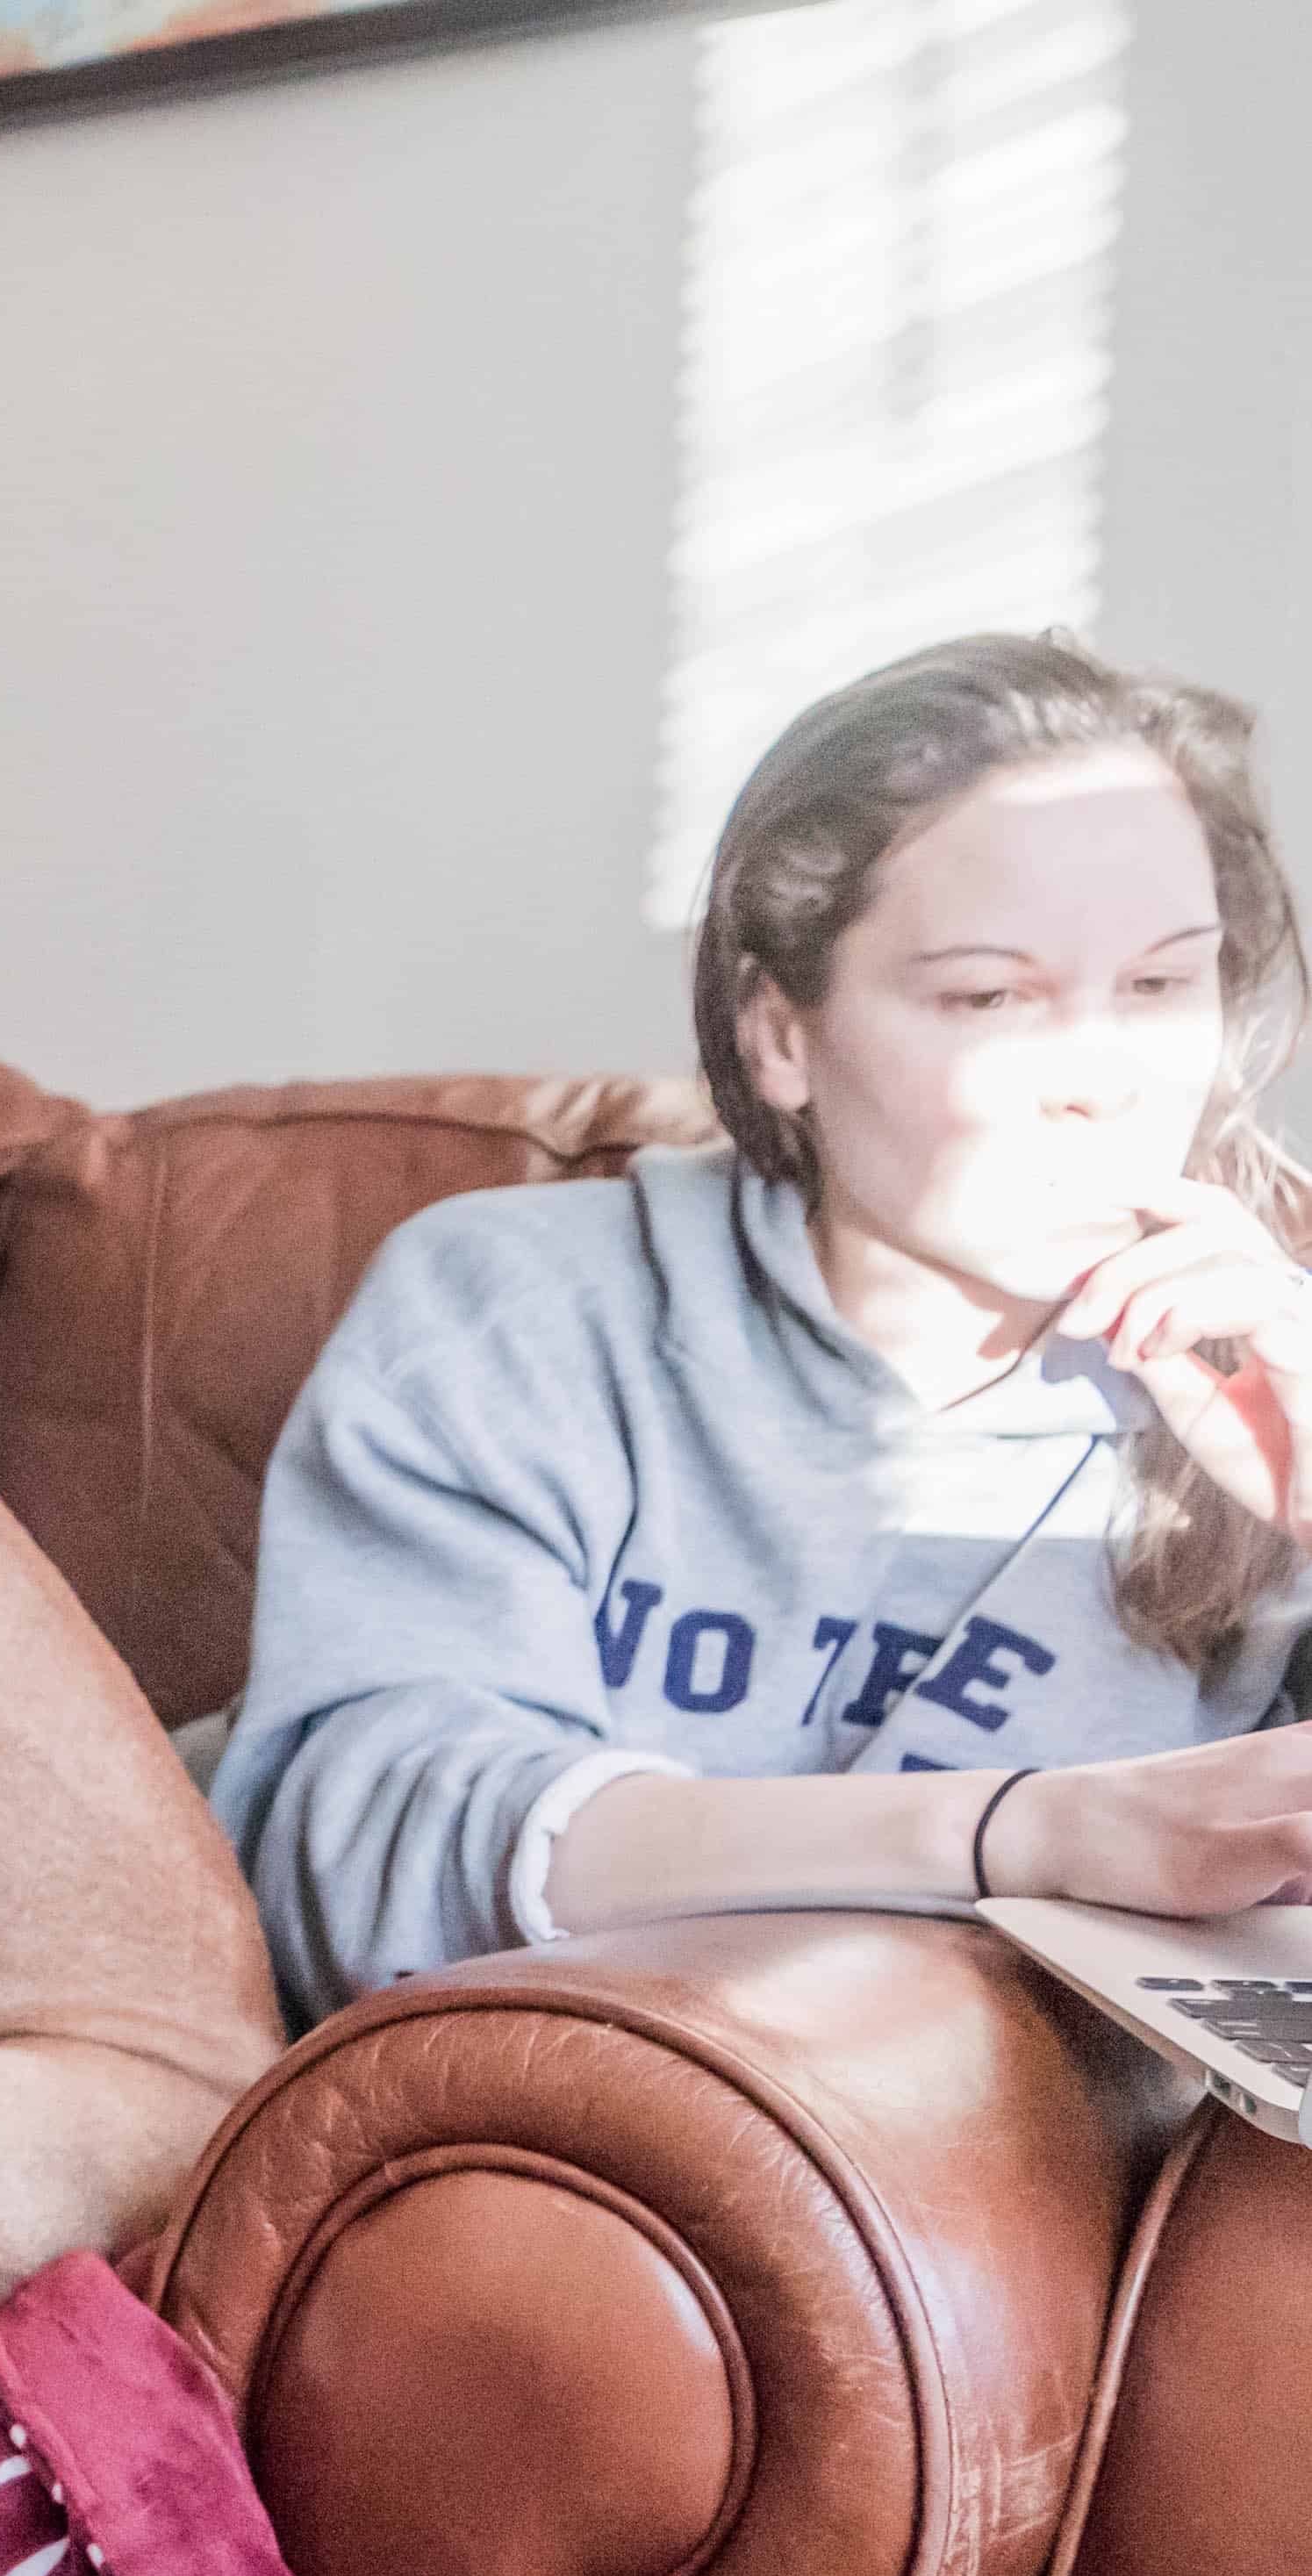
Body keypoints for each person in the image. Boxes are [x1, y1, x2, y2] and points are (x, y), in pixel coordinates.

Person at [215, 632, 1312, 2019]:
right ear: (780, 1036)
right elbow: (370, 1863)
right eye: (990, 996)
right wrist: (1023, 1831)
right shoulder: (526, 1311)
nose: (1106, 1080)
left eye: (1162, 987)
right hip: (529, 2146)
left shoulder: (1272, 1364)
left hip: (1009, 2197)